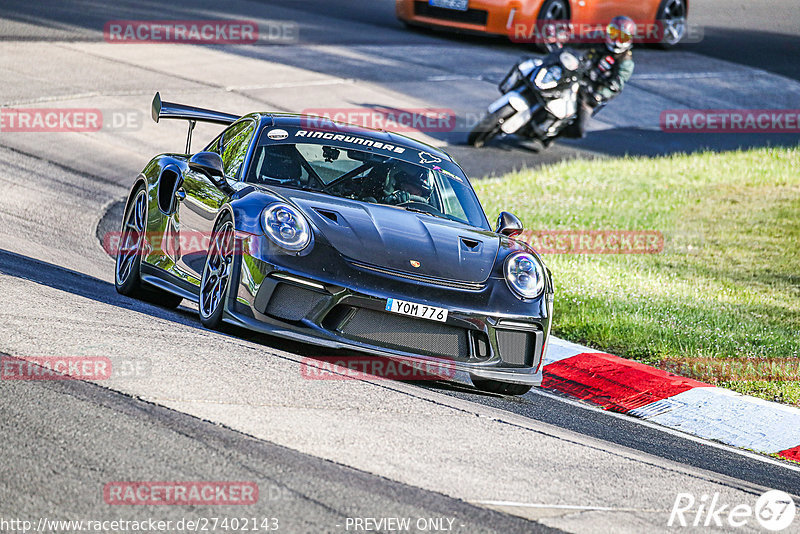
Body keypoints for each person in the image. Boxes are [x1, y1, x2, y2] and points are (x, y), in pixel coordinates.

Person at [561, 15, 636, 140]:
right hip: (578, 75)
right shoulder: (599, 42)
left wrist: (599, 95)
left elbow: (616, 85)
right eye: (613, 34)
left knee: (579, 130)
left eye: (622, 37)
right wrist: (566, 40)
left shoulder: (626, 62)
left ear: (629, 39)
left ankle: (554, 133)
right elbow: (580, 41)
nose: (617, 40)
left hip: (592, 91)